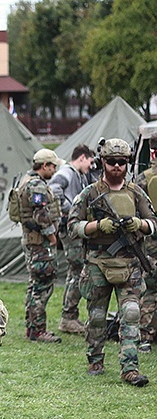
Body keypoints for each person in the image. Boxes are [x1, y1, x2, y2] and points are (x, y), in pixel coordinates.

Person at [68, 138, 156, 386]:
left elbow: (153, 222)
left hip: (130, 264)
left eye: (122, 162)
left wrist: (139, 224)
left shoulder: (136, 192)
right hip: (98, 263)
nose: (117, 166)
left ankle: (130, 368)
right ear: (103, 162)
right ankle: (95, 359)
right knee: (96, 316)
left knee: (131, 312)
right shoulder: (90, 194)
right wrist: (97, 226)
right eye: (112, 161)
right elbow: (72, 226)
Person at [18, 148, 63, 343]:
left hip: (32, 242)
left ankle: (32, 328)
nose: (54, 171)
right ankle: (38, 330)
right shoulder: (36, 185)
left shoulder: (27, 180)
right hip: (39, 244)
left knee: (35, 285)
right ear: (44, 166)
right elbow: (41, 214)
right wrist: (52, 236)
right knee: (42, 286)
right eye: (53, 167)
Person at [49, 144, 95, 334]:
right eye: (90, 162)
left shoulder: (80, 175)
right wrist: (70, 211)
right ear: (82, 158)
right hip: (70, 229)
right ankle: (68, 317)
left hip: (75, 229)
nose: (91, 166)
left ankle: (70, 315)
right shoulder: (67, 172)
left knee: (75, 271)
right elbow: (54, 188)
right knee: (77, 269)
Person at [134, 134, 157, 353]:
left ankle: (145, 337)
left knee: (150, 290)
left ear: (151, 152)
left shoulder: (142, 180)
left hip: (150, 246)